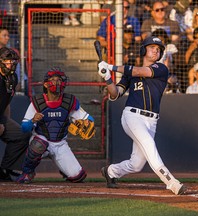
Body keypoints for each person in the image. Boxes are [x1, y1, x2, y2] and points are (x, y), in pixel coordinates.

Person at [97, 36, 187, 195]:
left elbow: (139, 71)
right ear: (143, 49)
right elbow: (115, 94)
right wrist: (107, 77)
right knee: (149, 145)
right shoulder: (129, 74)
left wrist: (110, 66)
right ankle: (171, 182)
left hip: (151, 120)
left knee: (136, 164)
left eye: (158, 49)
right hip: (132, 116)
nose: (156, 50)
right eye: (152, 47)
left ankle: (111, 171)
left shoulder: (161, 68)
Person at [16, 67, 95, 183]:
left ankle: (64, 168)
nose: (57, 82)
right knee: (38, 145)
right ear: (46, 84)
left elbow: (88, 118)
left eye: (59, 80)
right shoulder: (37, 102)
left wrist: (88, 123)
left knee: (78, 176)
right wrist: (32, 120)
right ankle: (27, 172)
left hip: (60, 143)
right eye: (53, 80)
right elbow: (24, 128)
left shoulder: (69, 101)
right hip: (42, 139)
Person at [0, 47, 30, 181]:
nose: (10, 64)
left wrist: (6, 121)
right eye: (7, 61)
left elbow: (6, 102)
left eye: (13, 61)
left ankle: (7, 169)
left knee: (22, 134)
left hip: (1, 117)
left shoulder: (12, 78)